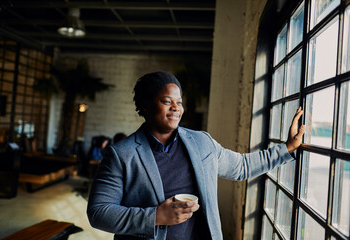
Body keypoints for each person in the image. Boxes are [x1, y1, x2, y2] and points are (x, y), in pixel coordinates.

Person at [87, 71, 305, 240]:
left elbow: (242, 167)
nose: (176, 108)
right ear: (145, 105)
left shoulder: (202, 142)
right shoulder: (121, 154)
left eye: (179, 102)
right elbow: (99, 212)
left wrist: (287, 148)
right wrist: (156, 217)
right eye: (166, 101)